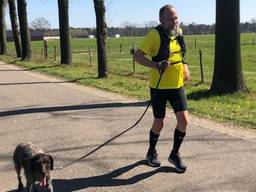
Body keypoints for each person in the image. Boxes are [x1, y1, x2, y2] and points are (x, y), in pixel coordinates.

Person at [133, 4, 190, 173]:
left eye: (176, 18)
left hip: (177, 85)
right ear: (161, 19)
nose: (175, 21)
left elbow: (179, 55)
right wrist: (156, 65)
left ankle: (174, 154)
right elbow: (137, 56)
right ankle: (151, 152)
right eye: (170, 18)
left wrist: (185, 67)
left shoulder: (178, 33)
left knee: (184, 121)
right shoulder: (154, 35)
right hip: (159, 87)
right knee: (160, 121)